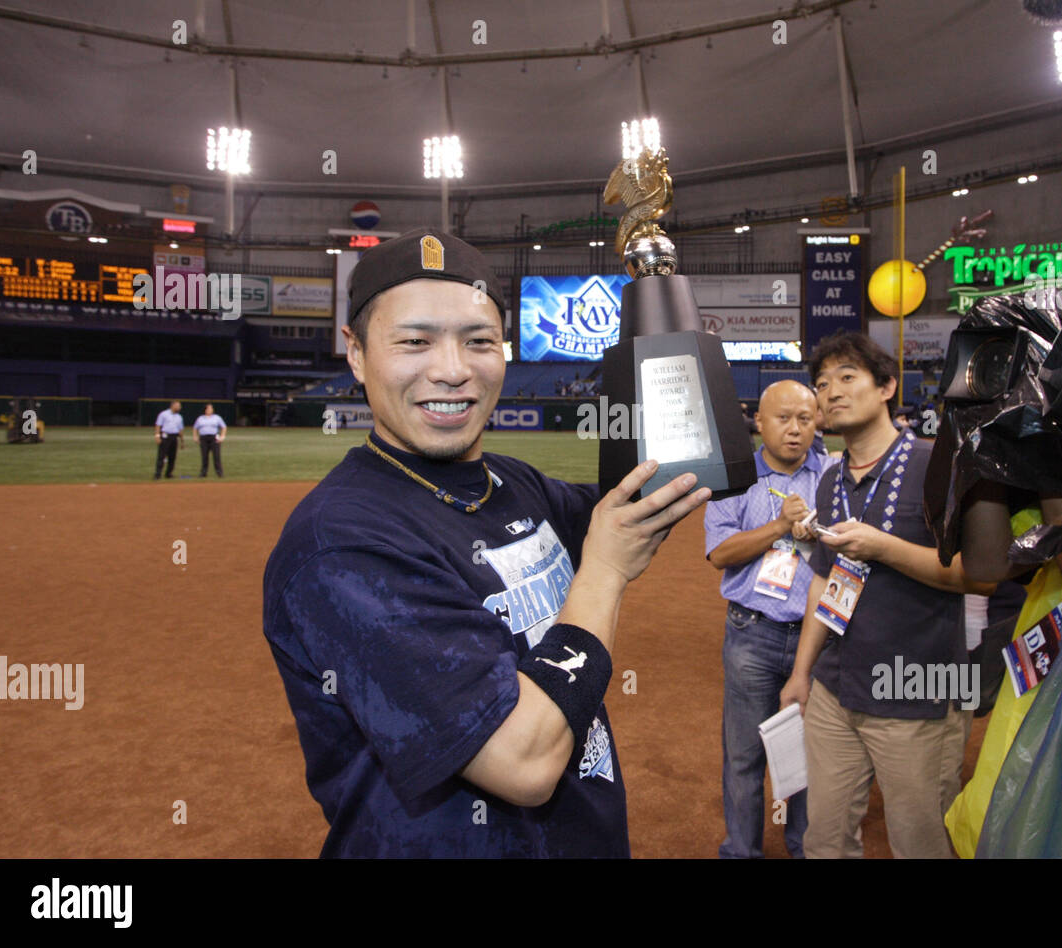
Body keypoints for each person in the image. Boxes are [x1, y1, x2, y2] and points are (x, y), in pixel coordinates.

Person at [262, 228, 709, 857]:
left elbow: (648, 492)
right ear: (357, 353)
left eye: (479, 342)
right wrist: (604, 573)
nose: (451, 370)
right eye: (414, 341)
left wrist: (659, 310)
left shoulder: (512, 481)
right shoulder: (343, 544)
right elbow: (522, 763)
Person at [779, 331, 991, 859]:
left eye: (848, 378)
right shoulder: (830, 481)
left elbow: (981, 575)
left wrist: (885, 548)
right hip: (835, 689)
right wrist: (802, 673)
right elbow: (826, 583)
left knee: (920, 843)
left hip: (915, 692)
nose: (832, 392)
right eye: (823, 383)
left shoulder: (935, 464)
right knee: (824, 839)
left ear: (887, 387)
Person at [704, 380, 826, 859]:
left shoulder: (833, 475)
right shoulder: (736, 477)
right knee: (744, 755)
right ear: (760, 421)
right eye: (783, 418)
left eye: (805, 419)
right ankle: (742, 850)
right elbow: (720, 552)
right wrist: (779, 526)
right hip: (751, 633)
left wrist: (818, 533)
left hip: (816, 639)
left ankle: (805, 848)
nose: (795, 429)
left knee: (809, 754)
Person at [193, 404, 227, 478]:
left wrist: (222, 436)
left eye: (211, 408)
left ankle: (219, 473)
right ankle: (203, 473)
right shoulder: (200, 418)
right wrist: (195, 437)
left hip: (214, 438)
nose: (210, 410)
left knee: (216, 456)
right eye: (208, 408)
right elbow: (195, 428)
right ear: (205, 410)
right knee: (204, 456)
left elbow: (223, 427)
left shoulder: (217, 418)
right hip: (203, 438)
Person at [153, 400, 184, 479]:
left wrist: (182, 441)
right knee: (162, 456)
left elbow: (180, 429)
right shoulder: (164, 414)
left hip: (174, 437)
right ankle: (158, 474)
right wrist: (157, 436)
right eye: (178, 406)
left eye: (179, 406)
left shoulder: (179, 417)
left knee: (172, 456)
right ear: (172, 405)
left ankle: (169, 473)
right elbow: (158, 425)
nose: (179, 407)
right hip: (165, 436)